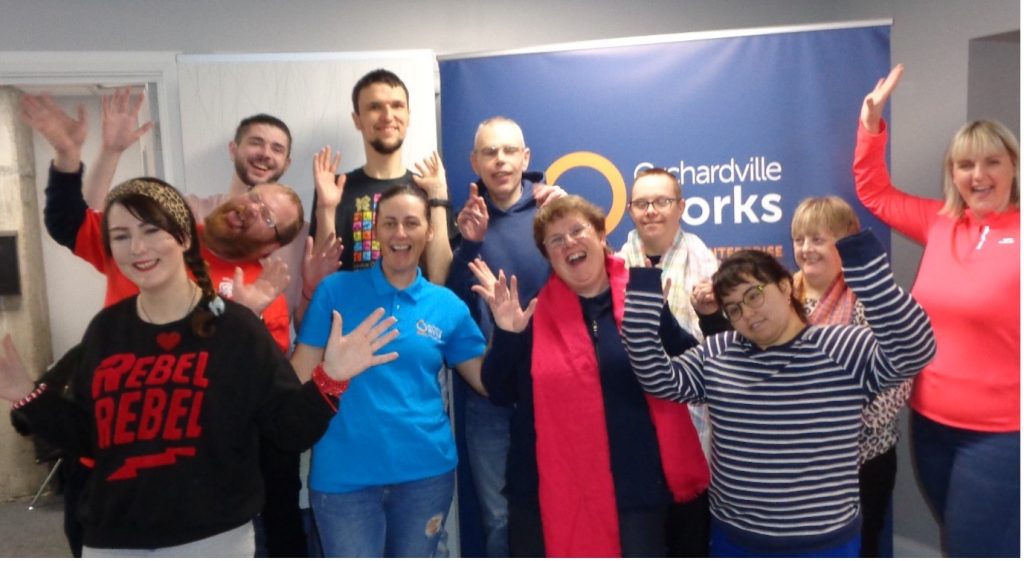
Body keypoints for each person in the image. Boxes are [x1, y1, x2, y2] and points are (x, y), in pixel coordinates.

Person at [0, 176, 399, 556]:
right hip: (111, 540)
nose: (137, 248)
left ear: (184, 236)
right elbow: (91, 438)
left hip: (212, 540)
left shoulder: (237, 327)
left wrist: (332, 378)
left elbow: (287, 430)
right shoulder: (106, 330)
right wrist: (27, 396)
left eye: (151, 231)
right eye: (121, 236)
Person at [21, 92, 315, 557]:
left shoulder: (264, 297)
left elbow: (261, 404)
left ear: (271, 246)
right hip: (110, 477)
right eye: (255, 198)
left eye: (267, 218)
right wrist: (76, 155)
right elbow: (71, 222)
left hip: (196, 496)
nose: (251, 209)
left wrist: (245, 317)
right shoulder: (156, 238)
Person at [620, 226, 935, 556]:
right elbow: (658, 379)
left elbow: (915, 349)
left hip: (826, 543)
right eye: (734, 309)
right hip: (735, 540)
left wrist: (866, 268)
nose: (747, 313)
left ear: (785, 286)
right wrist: (643, 297)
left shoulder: (841, 346)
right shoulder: (718, 352)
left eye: (753, 295)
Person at [473, 195, 710, 557]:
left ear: (601, 236)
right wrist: (508, 336)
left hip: (635, 492)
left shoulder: (641, 299)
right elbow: (499, 391)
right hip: (545, 493)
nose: (568, 243)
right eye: (555, 240)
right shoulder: (532, 312)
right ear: (548, 255)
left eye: (577, 231)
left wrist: (670, 317)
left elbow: (691, 370)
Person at [854, 64, 1020, 556]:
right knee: (970, 540)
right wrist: (870, 124)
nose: (978, 175)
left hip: (1002, 435)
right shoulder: (941, 222)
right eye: (965, 164)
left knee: (973, 546)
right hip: (929, 422)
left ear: (1013, 166)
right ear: (953, 174)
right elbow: (874, 192)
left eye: (992, 162)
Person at [291, 184, 487, 557]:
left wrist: (510, 334)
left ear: (429, 231)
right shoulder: (335, 291)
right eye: (390, 223)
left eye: (411, 223)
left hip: (424, 475)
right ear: (376, 231)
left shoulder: (446, 305)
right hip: (343, 478)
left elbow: (485, 381)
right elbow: (296, 378)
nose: (400, 233)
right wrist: (330, 371)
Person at [445, 116, 563, 557]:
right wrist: (470, 245)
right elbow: (452, 310)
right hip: (489, 397)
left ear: (525, 157)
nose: (500, 161)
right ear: (474, 162)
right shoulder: (466, 222)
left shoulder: (554, 210)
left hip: (553, 392)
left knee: (561, 509)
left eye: (509, 151)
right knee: (499, 520)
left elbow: (592, 282)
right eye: (489, 153)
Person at [790, 196, 911, 557]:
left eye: (818, 239)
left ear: (844, 242)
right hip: (795, 462)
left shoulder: (872, 300)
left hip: (861, 462)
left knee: (860, 546)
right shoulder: (780, 295)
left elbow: (897, 380)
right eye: (799, 239)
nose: (806, 249)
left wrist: (833, 424)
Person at [617, 167, 725, 557]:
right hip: (633, 427)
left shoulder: (706, 264)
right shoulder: (614, 265)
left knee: (688, 540)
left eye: (661, 201)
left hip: (690, 430)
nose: (651, 211)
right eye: (642, 203)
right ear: (630, 210)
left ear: (680, 207)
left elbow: (720, 351)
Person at [309, 69, 452, 285]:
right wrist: (326, 208)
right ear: (357, 119)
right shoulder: (334, 188)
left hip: (414, 307)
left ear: (408, 115)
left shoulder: (429, 188)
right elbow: (320, 281)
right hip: (352, 306)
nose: (387, 116)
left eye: (397, 105)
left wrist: (438, 198)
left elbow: (441, 280)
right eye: (374, 107)